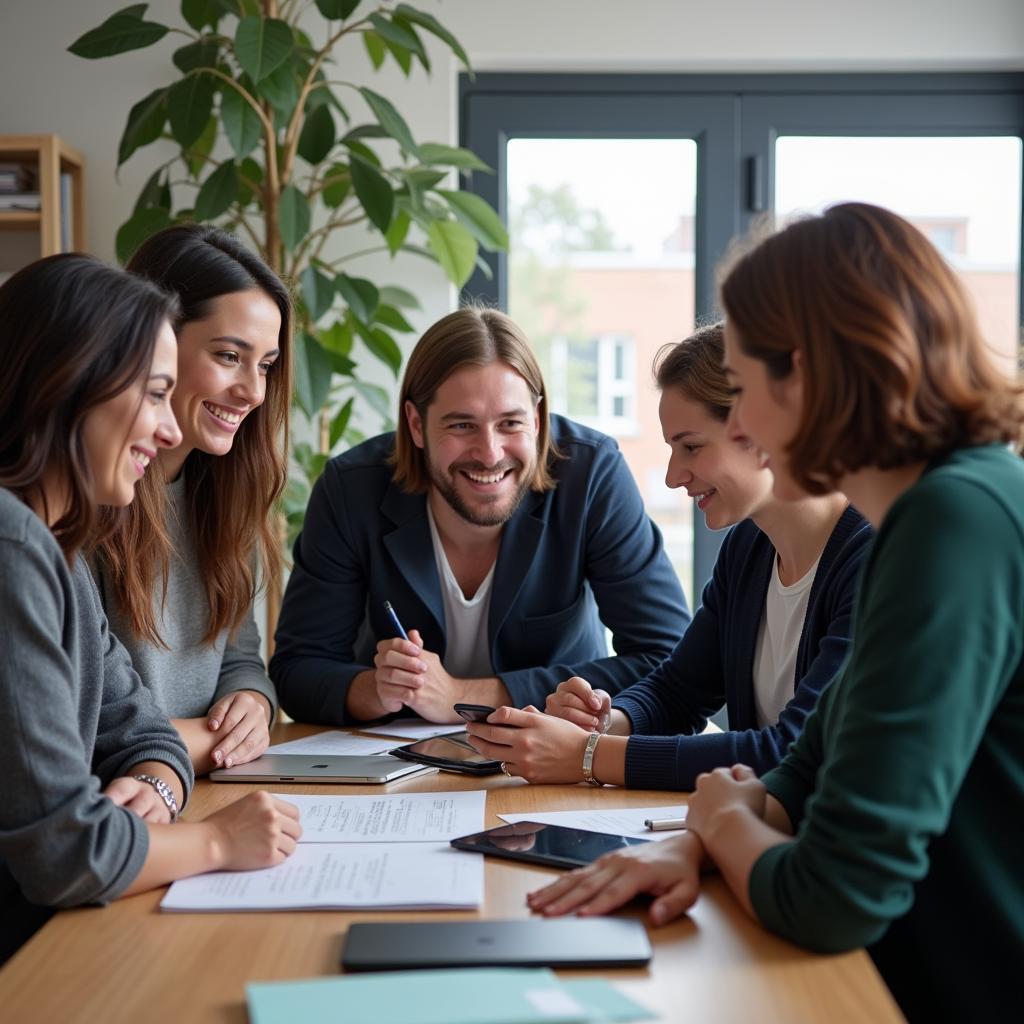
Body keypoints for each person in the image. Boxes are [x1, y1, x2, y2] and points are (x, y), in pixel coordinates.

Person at [526, 203, 1024, 1022]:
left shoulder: (951, 524)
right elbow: (812, 762)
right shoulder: (933, 513)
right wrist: (691, 840)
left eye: (749, 391)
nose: (747, 426)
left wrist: (721, 827)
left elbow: (835, 896)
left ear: (813, 374)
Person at [0, 254, 300, 965]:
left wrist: (161, 781)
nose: (170, 434)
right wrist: (220, 840)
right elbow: (65, 851)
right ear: (71, 386)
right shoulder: (15, 548)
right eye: (154, 394)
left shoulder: (57, 546)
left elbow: (142, 732)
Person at [464, 324, 870, 788]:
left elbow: (791, 750)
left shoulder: (875, 561)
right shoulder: (749, 549)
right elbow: (677, 692)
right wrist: (605, 721)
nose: (674, 476)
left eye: (691, 446)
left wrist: (587, 756)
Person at [270, 306, 689, 725]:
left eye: (510, 423)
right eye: (461, 426)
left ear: (538, 420)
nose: (490, 453)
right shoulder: (352, 488)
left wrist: (464, 696)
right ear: (416, 425)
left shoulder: (591, 475)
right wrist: (374, 691)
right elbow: (298, 669)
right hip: (398, 764)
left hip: (553, 753)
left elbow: (670, 660)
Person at [92, 225, 292, 774]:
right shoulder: (83, 502)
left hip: (195, 784)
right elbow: (87, 734)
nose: (254, 391)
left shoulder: (225, 492)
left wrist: (252, 702)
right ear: (151, 342)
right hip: (133, 799)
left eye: (267, 365)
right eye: (230, 355)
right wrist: (207, 746)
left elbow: (240, 657)